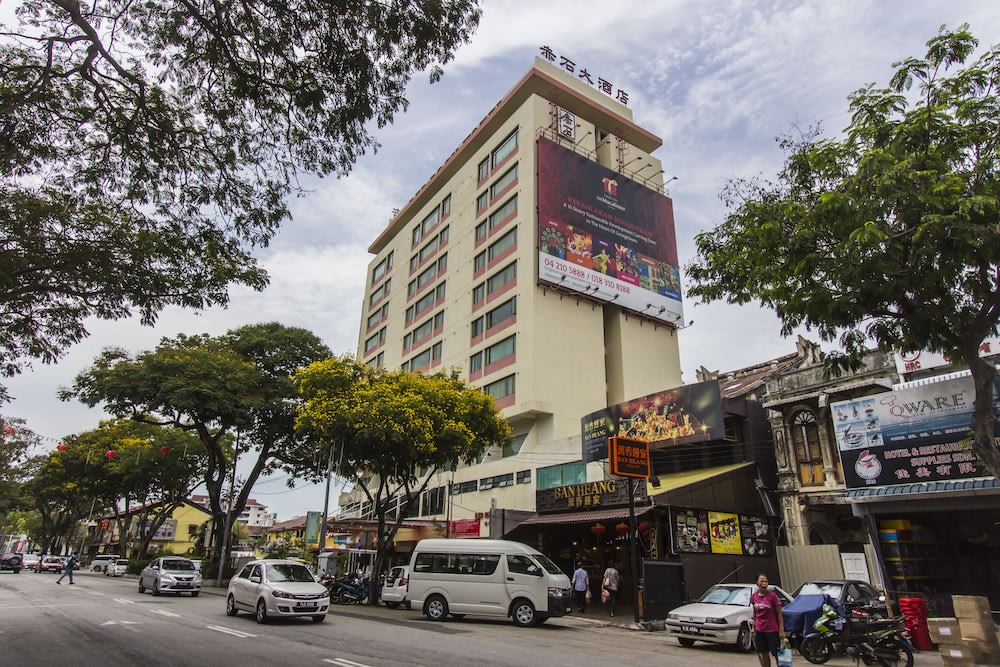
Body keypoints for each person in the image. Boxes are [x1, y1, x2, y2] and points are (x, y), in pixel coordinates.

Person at [751, 573, 785, 667]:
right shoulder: (754, 596)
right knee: (763, 653)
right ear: (757, 583)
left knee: (777, 653)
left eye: (766, 581)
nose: (764, 583)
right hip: (760, 630)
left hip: (772, 630)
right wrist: (754, 627)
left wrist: (781, 630)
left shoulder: (773, 596)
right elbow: (755, 613)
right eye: (762, 581)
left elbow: (779, 614)